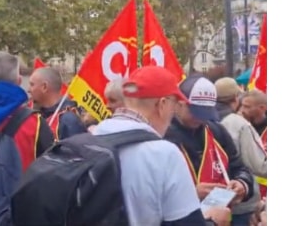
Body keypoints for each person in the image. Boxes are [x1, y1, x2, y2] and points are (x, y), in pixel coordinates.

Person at [91, 66, 231, 226]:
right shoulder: (164, 153)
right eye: (174, 104)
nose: (173, 112)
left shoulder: (94, 135)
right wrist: (213, 220)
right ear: (162, 104)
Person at [165, 75, 255, 211]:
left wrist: (242, 184)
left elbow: (239, 167)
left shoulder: (216, 131)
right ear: (178, 103)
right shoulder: (161, 135)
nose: (200, 119)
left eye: (205, 113)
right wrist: (190, 193)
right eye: (195, 112)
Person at [214, 77, 267, 225]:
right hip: (241, 202)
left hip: (212, 201)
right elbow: (260, 165)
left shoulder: (202, 119)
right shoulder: (239, 124)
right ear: (236, 98)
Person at [29, 67, 86, 140]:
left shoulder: (68, 120)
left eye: (32, 84)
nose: (28, 90)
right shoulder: (36, 114)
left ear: (44, 87)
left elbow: (77, 150)